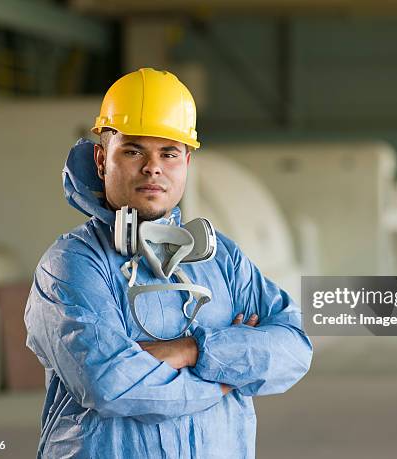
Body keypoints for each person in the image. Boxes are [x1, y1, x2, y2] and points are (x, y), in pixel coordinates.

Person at [24, 68, 312, 458]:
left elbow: (293, 349)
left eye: (169, 153)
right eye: (133, 150)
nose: (152, 167)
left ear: (186, 163)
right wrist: (228, 377)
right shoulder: (71, 265)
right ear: (101, 158)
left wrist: (194, 349)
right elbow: (111, 384)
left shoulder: (222, 258)